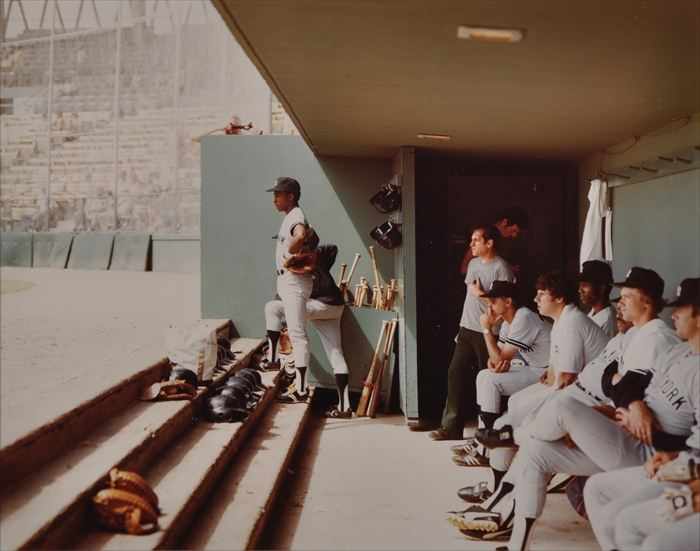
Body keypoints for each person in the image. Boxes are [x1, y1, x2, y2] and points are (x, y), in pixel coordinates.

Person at [583, 277, 700, 551]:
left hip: (691, 481)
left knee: (635, 526)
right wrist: (674, 460)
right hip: (686, 468)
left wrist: (691, 488)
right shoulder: (681, 353)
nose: (674, 314)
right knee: (605, 499)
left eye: (683, 308)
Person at [429, 225, 515, 441]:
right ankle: (451, 427)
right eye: (472, 240)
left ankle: (493, 430)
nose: (471, 244)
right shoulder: (474, 264)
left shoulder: (502, 268)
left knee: (490, 379)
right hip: (467, 327)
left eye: (476, 240)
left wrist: (481, 294)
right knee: (455, 372)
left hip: (489, 332)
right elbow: (470, 293)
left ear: (489, 243)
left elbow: (505, 303)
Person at [453, 280, 551, 470]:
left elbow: (498, 358)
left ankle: (485, 448)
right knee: (484, 375)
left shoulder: (524, 317)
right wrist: (494, 361)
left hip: (547, 373)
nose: (489, 305)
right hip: (536, 369)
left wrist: (486, 329)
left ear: (508, 301)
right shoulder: (509, 322)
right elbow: (495, 359)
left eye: (493, 300)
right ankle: (482, 441)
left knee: (490, 381)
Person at [265, 244, 353, 415]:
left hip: (319, 305)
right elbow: (333, 248)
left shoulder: (293, 272)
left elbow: (286, 298)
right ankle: (345, 407)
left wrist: (303, 258)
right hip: (335, 307)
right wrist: (312, 253)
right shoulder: (318, 259)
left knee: (272, 308)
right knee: (336, 353)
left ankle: (279, 365)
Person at [266, 177, 313, 402]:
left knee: (297, 335)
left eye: (279, 194)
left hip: (294, 282)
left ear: (291, 196)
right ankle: (275, 359)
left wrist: (292, 250)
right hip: (287, 281)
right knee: (272, 309)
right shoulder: (289, 216)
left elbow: (301, 235)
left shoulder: (296, 215)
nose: (275, 198)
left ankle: (301, 390)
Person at [578, 259, 616, 338]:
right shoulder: (593, 312)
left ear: (602, 288)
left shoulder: (608, 320)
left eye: (584, 285)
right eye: (580, 285)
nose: (580, 290)